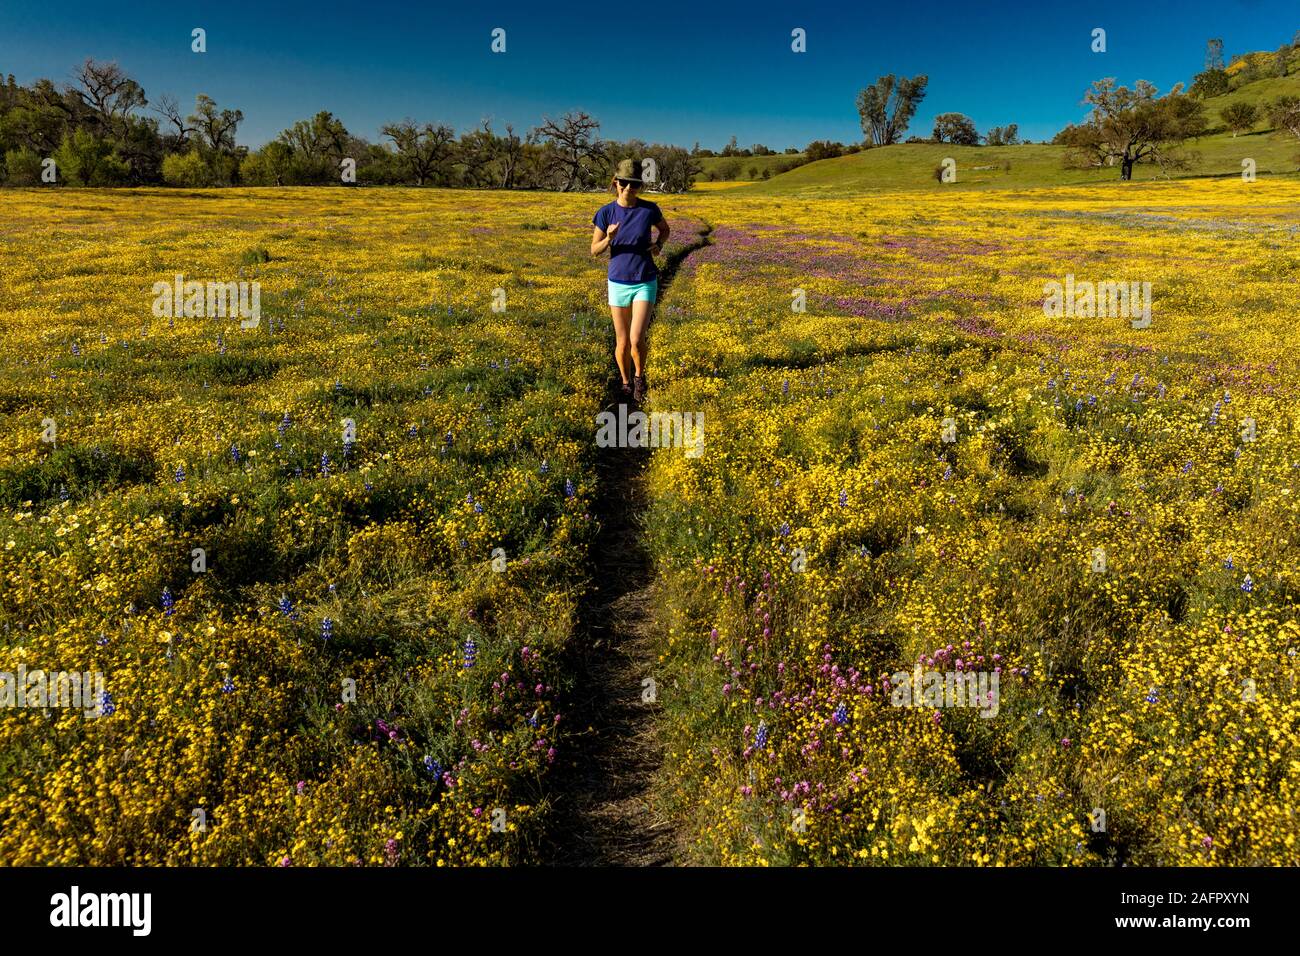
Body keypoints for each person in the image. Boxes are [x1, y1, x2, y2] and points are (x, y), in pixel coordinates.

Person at [590, 158, 670, 403]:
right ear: (615, 183)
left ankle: (639, 377)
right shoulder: (605, 213)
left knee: (637, 338)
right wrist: (609, 238)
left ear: (640, 186)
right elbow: (595, 250)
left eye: (634, 184)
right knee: (622, 341)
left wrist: (658, 245)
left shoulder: (649, 209)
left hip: (645, 279)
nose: (628, 188)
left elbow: (665, 229)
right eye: (623, 183)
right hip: (617, 282)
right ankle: (625, 382)